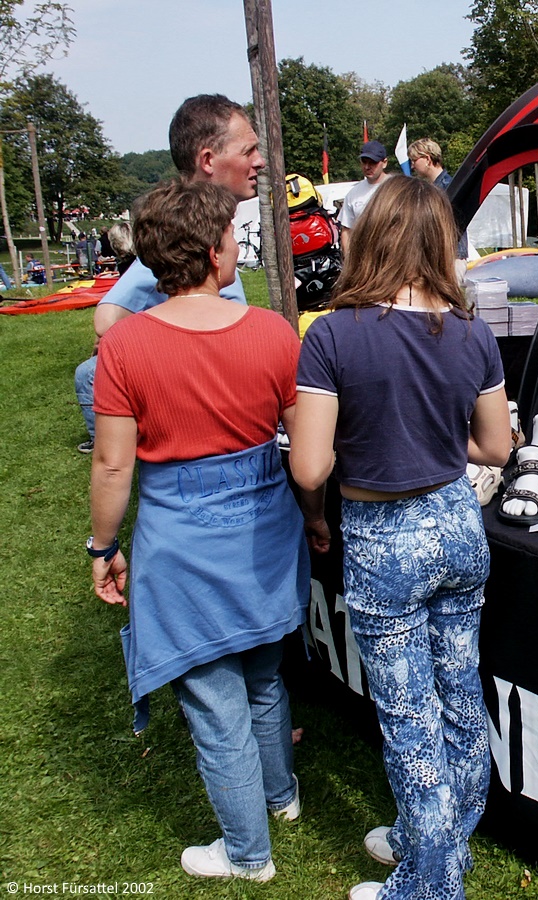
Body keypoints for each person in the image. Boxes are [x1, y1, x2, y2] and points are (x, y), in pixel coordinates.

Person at [88, 178, 320, 882]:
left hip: (182, 536)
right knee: (261, 675)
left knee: (216, 699)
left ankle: (249, 854)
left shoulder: (126, 346)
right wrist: (312, 519)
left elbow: (111, 464)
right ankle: (280, 800)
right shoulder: (273, 332)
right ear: (214, 249)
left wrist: (102, 546)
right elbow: (302, 447)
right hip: (265, 525)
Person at [288, 176, 511, 900]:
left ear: (370, 237)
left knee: (411, 721)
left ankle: (430, 883)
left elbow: (311, 465)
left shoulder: (333, 333)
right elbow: (498, 446)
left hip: (386, 534)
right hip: (456, 521)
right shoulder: (472, 329)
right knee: (459, 698)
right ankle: (439, 840)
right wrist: (433, 436)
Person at [74, 94, 265, 452]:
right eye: (248, 151)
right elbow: (107, 319)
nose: (260, 161)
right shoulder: (179, 235)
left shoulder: (212, 231)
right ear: (208, 160)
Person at [410, 137, 469, 260]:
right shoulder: (437, 187)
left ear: (427, 159)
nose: (412, 166)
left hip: (451, 257)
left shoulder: (449, 188)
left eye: (414, 160)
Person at [337, 139, 391, 255]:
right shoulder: (353, 193)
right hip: (364, 259)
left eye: (373, 162)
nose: (367, 167)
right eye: (364, 161)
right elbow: (347, 231)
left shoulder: (397, 188)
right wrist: (349, 261)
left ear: (385, 162)